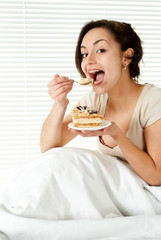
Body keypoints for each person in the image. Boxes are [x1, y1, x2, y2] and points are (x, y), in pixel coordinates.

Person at [40, 19, 161, 187]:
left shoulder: (153, 100)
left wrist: (116, 134)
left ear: (126, 57)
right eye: (84, 54)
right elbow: (49, 148)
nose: (88, 61)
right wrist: (59, 104)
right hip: (114, 187)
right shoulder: (95, 100)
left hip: (147, 193)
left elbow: (156, 177)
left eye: (100, 50)